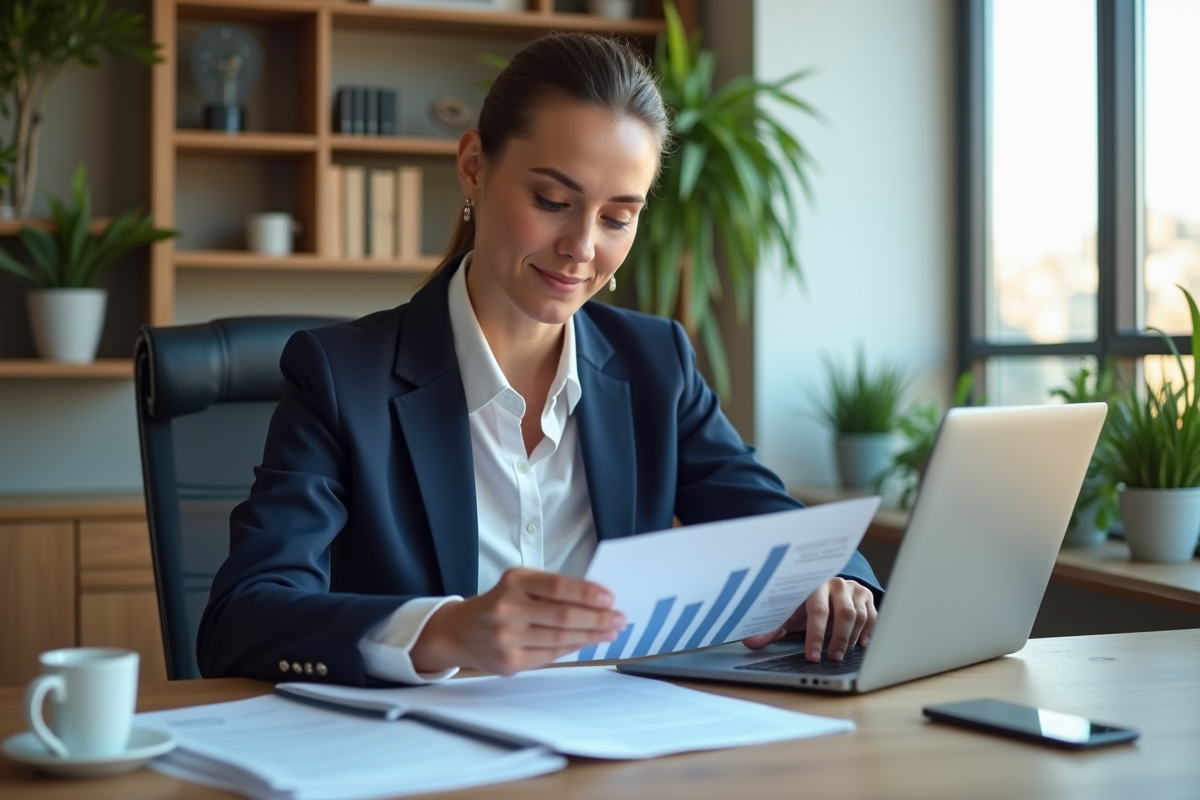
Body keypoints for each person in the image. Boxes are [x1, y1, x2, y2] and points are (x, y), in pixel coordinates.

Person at [198, 32, 881, 687]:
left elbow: (787, 529)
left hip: (611, 746)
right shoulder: (340, 375)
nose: (582, 245)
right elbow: (241, 617)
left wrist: (839, 581)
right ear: (474, 167)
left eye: (617, 217)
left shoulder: (655, 365)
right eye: (553, 201)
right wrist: (445, 630)